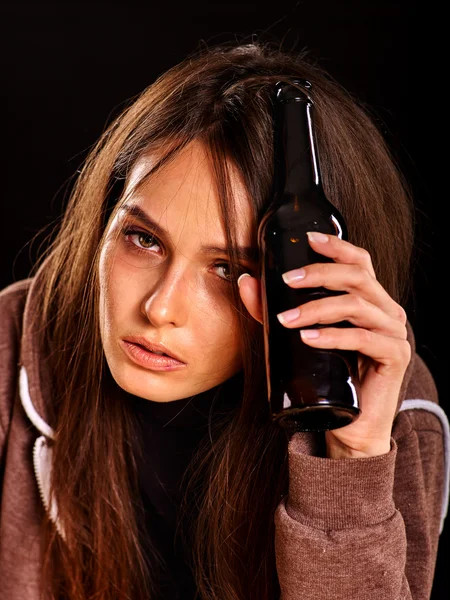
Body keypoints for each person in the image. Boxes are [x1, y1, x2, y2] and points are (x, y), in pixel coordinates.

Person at [0, 41, 448, 600]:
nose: (160, 309)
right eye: (143, 239)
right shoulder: (10, 344)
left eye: (227, 268)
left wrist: (352, 463)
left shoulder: (393, 414)